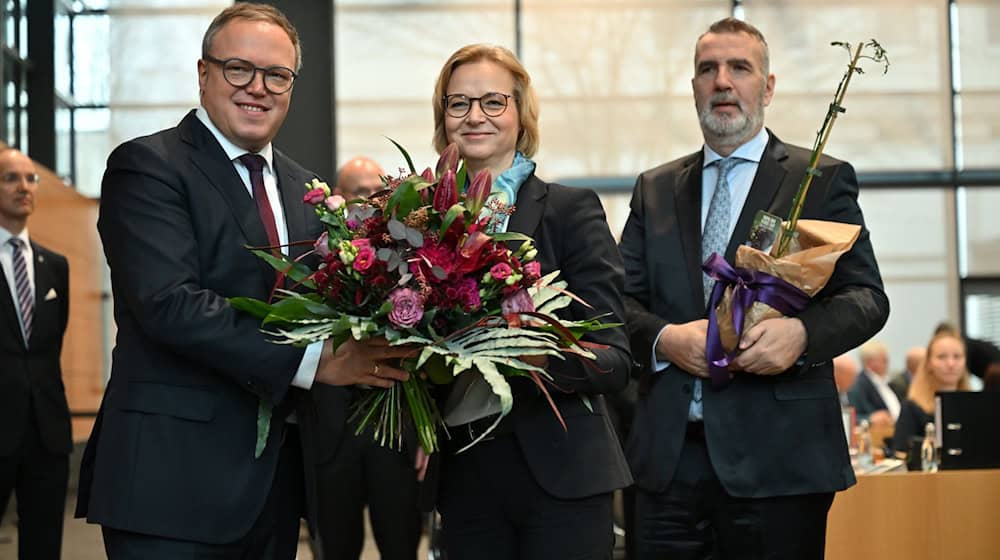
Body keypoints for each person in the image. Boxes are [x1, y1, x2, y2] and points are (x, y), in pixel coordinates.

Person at [74, 4, 409, 558]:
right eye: (238, 69)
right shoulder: (148, 167)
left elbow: (324, 309)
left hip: (276, 487)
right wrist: (318, 363)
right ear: (203, 73)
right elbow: (170, 304)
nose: (258, 87)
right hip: (171, 482)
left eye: (277, 74)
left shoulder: (308, 189)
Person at [619, 18, 889, 559]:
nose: (722, 81)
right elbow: (617, 303)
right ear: (693, 86)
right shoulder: (654, 188)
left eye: (739, 67)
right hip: (667, 467)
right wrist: (667, 339)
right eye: (707, 69)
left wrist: (802, 334)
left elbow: (866, 298)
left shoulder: (819, 179)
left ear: (767, 87)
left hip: (780, 466)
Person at [424, 44, 633, 560]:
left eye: (494, 101)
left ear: (521, 114)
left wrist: (536, 357)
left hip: (561, 470)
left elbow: (615, 358)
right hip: (464, 473)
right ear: (443, 117)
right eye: (458, 103)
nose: (475, 116)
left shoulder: (570, 211)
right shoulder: (416, 223)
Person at [311, 157, 422, 560]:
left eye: (376, 193)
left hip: (394, 429)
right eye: (356, 192)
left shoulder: (413, 256)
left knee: (401, 544)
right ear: (337, 197)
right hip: (330, 430)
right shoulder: (317, 255)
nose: (367, 202)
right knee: (335, 548)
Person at [0, 148, 71, 560]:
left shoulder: (54, 265)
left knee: (44, 546)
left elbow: (50, 345)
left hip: (47, 432)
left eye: (30, 179)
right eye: (11, 178)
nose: (24, 187)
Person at [892, 330, 970, 453]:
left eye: (957, 357)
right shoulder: (912, 407)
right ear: (928, 363)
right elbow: (900, 453)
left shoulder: (974, 404)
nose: (951, 364)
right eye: (941, 357)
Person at [846, 339, 899, 427]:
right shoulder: (857, 385)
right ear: (869, 362)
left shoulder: (885, 382)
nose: (887, 364)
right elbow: (851, 416)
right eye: (884, 360)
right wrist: (870, 419)